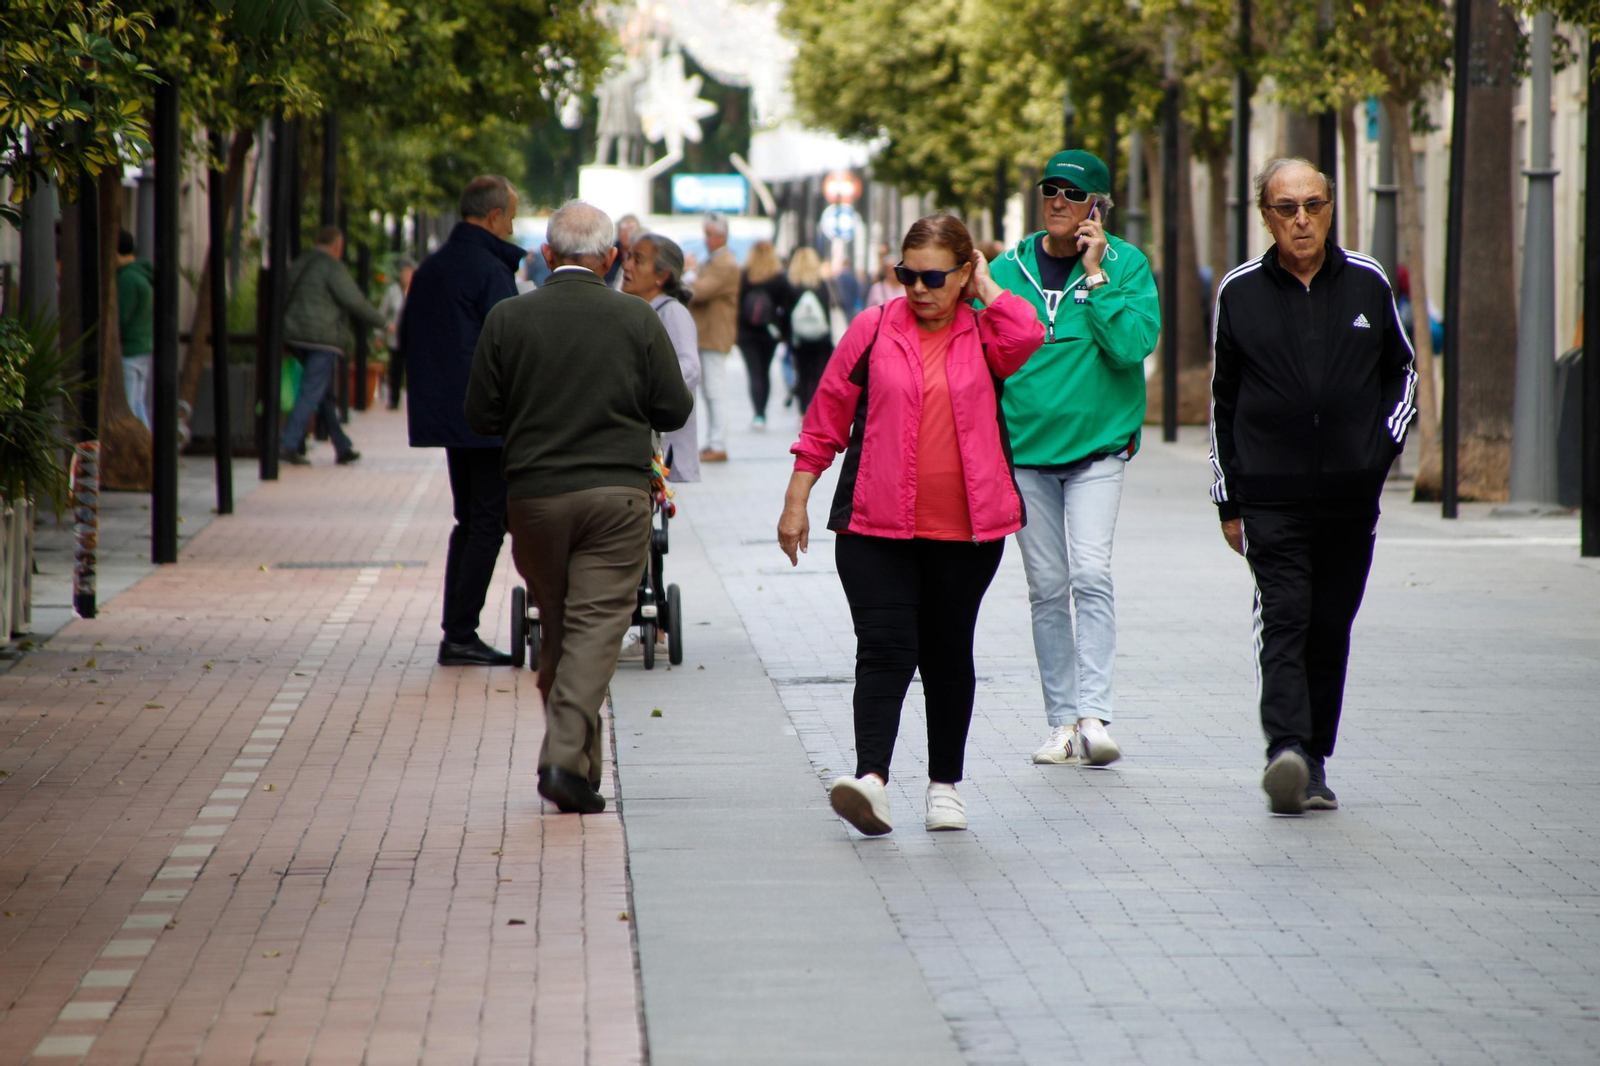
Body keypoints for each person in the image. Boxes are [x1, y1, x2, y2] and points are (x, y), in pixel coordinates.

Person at [777, 214, 1044, 836]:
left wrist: (990, 289)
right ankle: (871, 781)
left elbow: (1028, 336)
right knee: (885, 650)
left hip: (968, 534)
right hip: (875, 528)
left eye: (933, 277)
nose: (918, 289)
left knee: (949, 655)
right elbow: (825, 419)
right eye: (907, 275)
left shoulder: (985, 332)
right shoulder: (871, 329)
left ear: (964, 272)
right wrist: (797, 500)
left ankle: (945, 787)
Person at [465, 200, 693, 814]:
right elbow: (674, 409)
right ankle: (566, 756)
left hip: (535, 499)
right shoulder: (637, 319)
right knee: (594, 629)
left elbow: (480, 415)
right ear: (612, 258)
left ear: (546, 255)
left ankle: (581, 772)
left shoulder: (508, 319)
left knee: (564, 627)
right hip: (615, 498)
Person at [1209, 158, 1416, 814]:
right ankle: (1285, 751)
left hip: (1350, 501)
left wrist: (1376, 454)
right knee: (1286, 619)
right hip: (1271, 497)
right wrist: (1229, 500)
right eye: (1287, 207)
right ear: (1266, 217)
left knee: (1329, 627)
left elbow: (1402, 373)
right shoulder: (1239, 292)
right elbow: (1223, 404)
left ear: (1331, 208)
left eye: (1314, 205)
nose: (1302, 219)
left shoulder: (1367, 282)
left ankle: (1314, 762)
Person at [987, 150, 1161, 768]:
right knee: (1046, 587)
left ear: (1097, 207)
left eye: (1072, 193)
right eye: (1049, 191)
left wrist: (1095, 277)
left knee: (1090, 574)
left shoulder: (1127, 266)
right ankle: (1061, 722)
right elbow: (987, 354)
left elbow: (1132, 347)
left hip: (1097, 451)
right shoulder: (1006, 269)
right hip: (1026, 453)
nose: (1058, 201)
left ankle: (1095, 716)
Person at [400, 175, 526, 667]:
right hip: (487, 417)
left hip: (452, 416)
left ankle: (458, 631)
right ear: (494, 216)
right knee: (486, 523)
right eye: (511, 218)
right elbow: (509, 345)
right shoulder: (487, 269)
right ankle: (459, 634)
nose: (512, 228)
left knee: (471, 519)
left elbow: (409, 336)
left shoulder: (435, 265)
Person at [281, 225, 386, 466]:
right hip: (322, 339)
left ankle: (342, 446)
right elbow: (354, 301)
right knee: (311, 390)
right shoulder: (331, 266)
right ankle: (288, 444)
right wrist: (384, 323)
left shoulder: (300, 262)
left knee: (325, 394)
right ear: (338, 246)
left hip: (295, 335)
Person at [623, 232, 700, 483]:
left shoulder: (672, 312)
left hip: (662, 448)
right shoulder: (637, 308)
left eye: (638, 260)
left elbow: (689, 367)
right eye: (628, 257)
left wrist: (643, 388)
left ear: (662, 276)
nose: (627, 265)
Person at [688, 212, 738, 462]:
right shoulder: (715, 260)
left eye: (708, 234)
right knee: (710, 390)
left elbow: (699, 291)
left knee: (714, 390)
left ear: (721, 236)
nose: (705, 239)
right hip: (708, 334)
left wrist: (686, 276)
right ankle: (713, 442)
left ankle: (718, 444)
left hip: (715, 335)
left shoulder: (725, 263)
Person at [736, 241, 792, 428]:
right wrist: (784, 333)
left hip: (746, 332)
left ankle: (757, 414)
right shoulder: (778, 278)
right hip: (769, 332)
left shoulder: (744, 276)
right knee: (764, 371)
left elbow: (736, 306)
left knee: (754, 372)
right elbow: (786, 308)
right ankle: (762, 412)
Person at [785, 247, 835, 413]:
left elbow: (786, 314)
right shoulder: (821, 286)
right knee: (819, 374)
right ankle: (816, 411)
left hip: (799, 339)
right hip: (821, 338)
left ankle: (802, 411)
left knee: (803, 374)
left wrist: (787, 338)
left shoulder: (792, 286)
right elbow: (827, 314)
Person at [115, 230, 154, 429]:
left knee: (129, 407)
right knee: (137, 404)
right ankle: (149, 449)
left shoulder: (127, 279)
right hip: (143, 348)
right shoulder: (142, 275)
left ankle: (142, 451)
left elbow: (121, 318)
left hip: (129, 351)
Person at [378, 256, 415, 353]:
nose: (405, 275)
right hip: (395, 341)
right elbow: (382, 312)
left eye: (408, 272)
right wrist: (379, 334)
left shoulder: (419, 291)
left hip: (413, 341)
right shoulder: (392, 291)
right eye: (403, 272)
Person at [605, 213, 642, 289]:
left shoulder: (644, 253)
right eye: (624, 230)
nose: (628, 234)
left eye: (631, 230)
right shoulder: (610, 254)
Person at [864, 244, 905, 308]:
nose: (893, 273)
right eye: (889, 270)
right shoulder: (877, 288)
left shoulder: (906, 288)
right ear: (885, 271)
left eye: (895, 270)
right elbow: (869, 309)